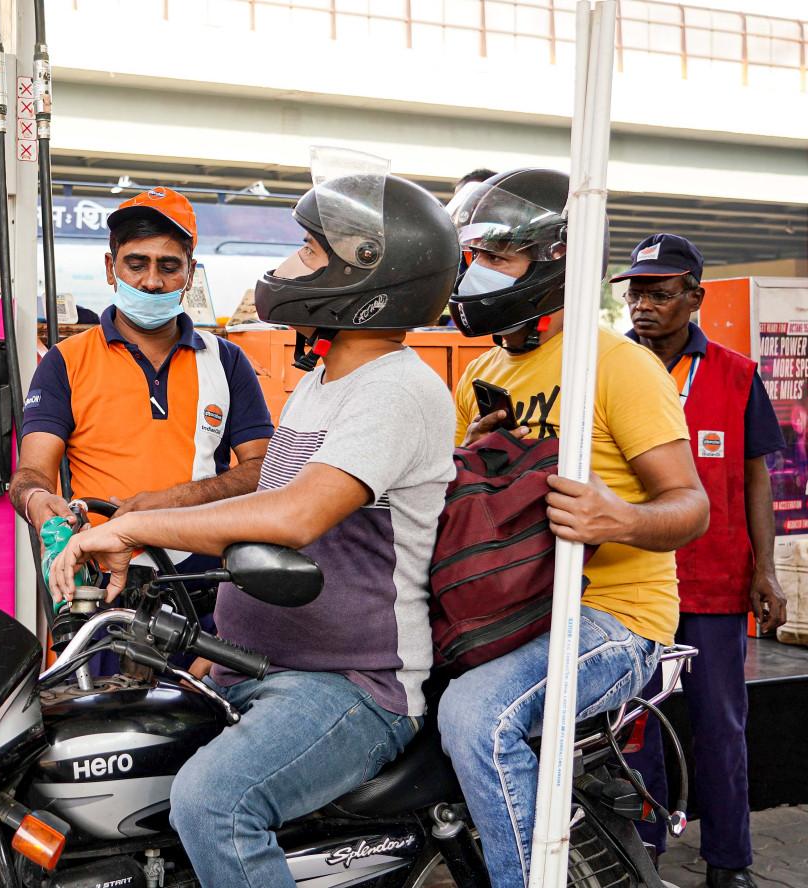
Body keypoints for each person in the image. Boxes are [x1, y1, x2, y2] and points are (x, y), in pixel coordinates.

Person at [50, 171, 461, 888]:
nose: (288, 266)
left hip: (352, 687)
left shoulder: (395, 389)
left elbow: (297, 517)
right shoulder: (323, 381)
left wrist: (140, 525)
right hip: (258, 667)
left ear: (367, 274)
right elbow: (262, 519)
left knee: (214, 803)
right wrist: (224, 648)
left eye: (308, 249)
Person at [439, 169, 710, 888]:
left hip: (617, 620)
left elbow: (690, 506)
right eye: (474, 257)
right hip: (518, 610)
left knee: (476, 717)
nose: (477, 275)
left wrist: (616, 517)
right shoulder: (481, 374)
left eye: (497, 257)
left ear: (556, 257)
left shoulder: (619, 365)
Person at [616, 233, 786, 888]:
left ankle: (729, 861)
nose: (642, 306)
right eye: (635, 293)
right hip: (627, 583)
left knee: (721, 728)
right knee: (635, 732)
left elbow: (756, 477)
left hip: (713, 583)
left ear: (695, 297)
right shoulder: (605, 367)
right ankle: (642, 854)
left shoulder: (736, 373)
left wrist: (765, 569)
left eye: (659, 293)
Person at [9, 187, 273, 538]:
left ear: (190, 274)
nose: (151, 281)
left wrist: (178, 499)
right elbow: (31, 472)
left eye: (169, 267)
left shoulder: (226, 361)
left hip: (200, 570)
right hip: (98, 572)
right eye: (136, 264)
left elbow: (263, 469)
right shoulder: (66, 361)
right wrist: (37, 500)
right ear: (110, 267)